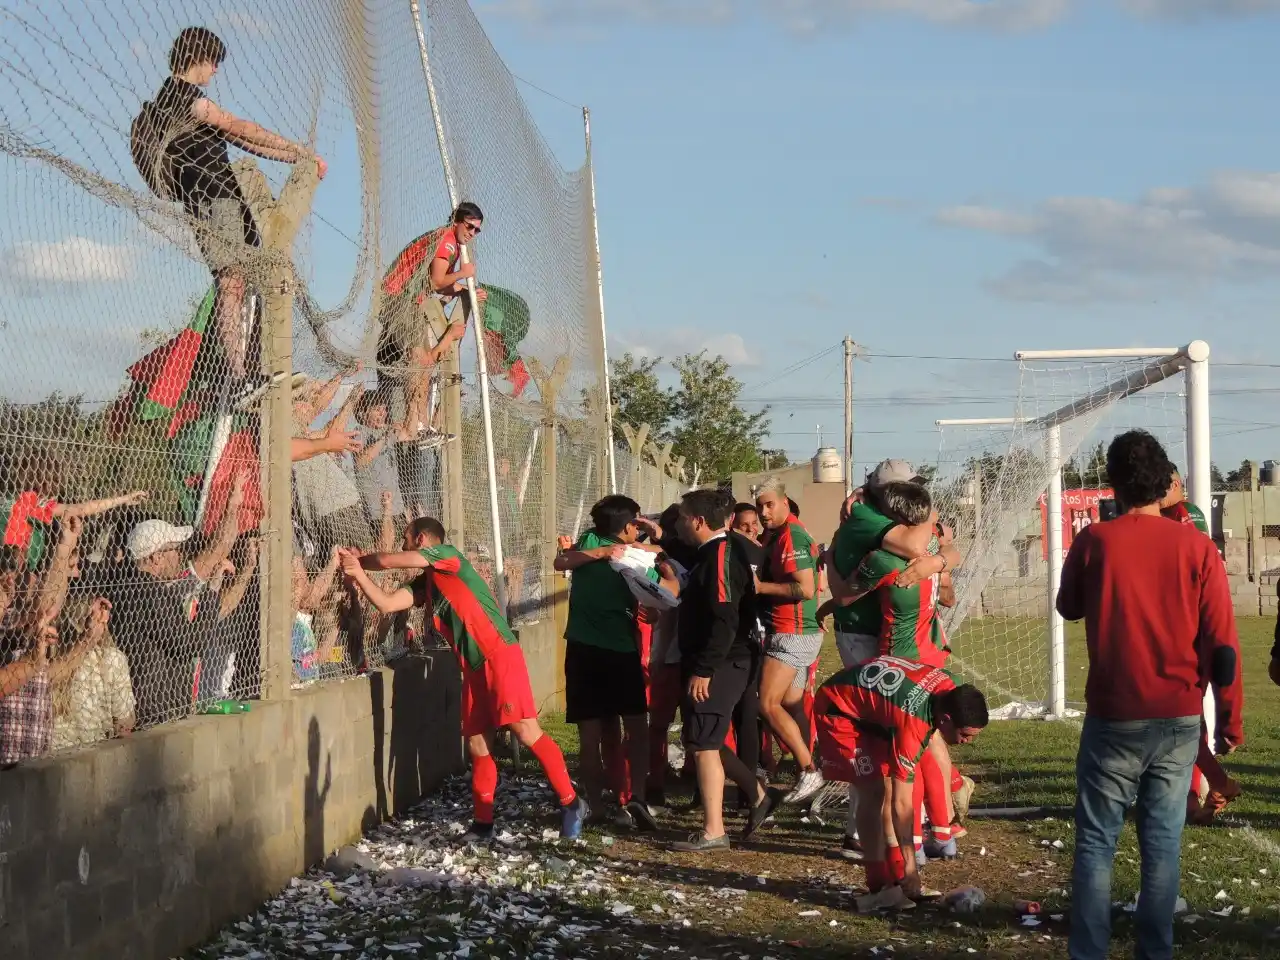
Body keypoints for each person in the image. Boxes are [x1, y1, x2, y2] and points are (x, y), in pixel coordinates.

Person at [1057, 430, 1243, 960]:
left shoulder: (1094, 542)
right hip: (1179, 717)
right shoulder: (1197, 546)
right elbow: (1223, 643)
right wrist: (1230, 718)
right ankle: (1154, 952)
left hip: (1114, 715)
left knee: (1097, 842)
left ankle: (1088, 952)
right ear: (1164, 482)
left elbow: (1068, 606)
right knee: (1161, 844)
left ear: (1112, 483)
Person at [339, 517, 588, 839]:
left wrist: (359, 561)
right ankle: (483, 824)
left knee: (525, 730)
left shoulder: (447, 555)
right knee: (477, 743)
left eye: (406, 539)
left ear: (423, 540)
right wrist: (358, 574)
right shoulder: (426, 582)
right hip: (472, 665)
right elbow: (387, 604)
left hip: (498, 655)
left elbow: (386, 561)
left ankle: (571, 802)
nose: (402, 545)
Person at [147, 27, 326, 395]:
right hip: (211, 198)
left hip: (227, 196)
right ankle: (237, 376)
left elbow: (243, 139)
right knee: (231, 283)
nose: (215, 71)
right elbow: (239, 126)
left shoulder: (188, 103)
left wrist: (299, 158)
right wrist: (296, 149)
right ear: (198, 58)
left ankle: (251, 371)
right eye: (213, 62)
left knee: (250, 282)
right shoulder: (181, 97)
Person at [813, 656, 988, 906]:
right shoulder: (912, 725)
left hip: (872, 709)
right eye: (964, 735)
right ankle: (878, 885)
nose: (966, 742)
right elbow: (903, 806)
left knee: (884, 784)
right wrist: (911, 867)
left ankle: (895, 876)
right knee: (872, 791)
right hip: (838, 709)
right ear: (946, 719)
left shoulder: (952, 687)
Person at [553, 496, 674, 829]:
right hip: (618, 653)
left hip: (582, 652)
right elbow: (667, 583)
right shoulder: (630, 556)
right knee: (635, 728)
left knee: (592, 735)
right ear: (625, 527)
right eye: (637, 522)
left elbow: (563, 560)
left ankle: (599, 806)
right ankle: (635, 796)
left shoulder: (591, 540)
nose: (640, 528)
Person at [671, 489, 775, 852]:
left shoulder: (719, 555)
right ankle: (757, 792)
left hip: (724, 660)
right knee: (704, 737)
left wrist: (706, 668)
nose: (679, 523)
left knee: (703, 744)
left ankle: (714, 831)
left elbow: (725, 618)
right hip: (724, 659)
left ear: (698, 521)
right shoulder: (711, 553)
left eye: (682, 517)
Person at [752, 479, 824, 804]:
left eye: (769, 505)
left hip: (792, 633)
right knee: (792, 704)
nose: (764, 512)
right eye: (759, 507)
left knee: (766, 704)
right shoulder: (784, 534)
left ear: (784, 502)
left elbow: (805, 589)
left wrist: (760, 587)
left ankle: (809, 770)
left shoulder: (791, 535)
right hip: (800, 632)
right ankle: (806, 772)